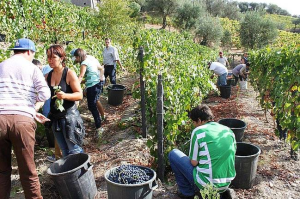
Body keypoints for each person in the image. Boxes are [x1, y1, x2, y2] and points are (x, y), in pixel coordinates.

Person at [0, 38, 51, 199]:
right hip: (22, 122)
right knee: (28, 170)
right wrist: (31, 108)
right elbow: (45, 94)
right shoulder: (32, 68)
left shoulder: (1, 65)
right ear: (29, 52)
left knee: (1, 171)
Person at [168, 105, 236, 199]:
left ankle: (188, 193)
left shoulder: (198, 131)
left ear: (199, 120)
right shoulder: (228, 131)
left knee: (173, 154)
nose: (193, 125)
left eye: (193, 122)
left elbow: (194, 162)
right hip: (226, 184)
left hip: (207, 184)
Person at [46, 45, 85, 157]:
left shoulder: (69, 73)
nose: (50, 60)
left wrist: (65, 96)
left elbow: (79, 95)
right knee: (64, 150)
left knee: (74, 150)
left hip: (69, 118)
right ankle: (70, 174)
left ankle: (81, 173)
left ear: (61, 58)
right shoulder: (47, 76)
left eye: (53, 57)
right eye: (48, 57)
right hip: (55, 118)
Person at [73, 48, 105, 140]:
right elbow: (90, 76)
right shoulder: (90, 60)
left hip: (93, 87)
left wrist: (75, 85)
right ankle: (100, 120)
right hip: (97, 84)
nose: (76, 59)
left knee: (92, 106)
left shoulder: (84, 63)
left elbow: (81, 76)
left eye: (76, 57)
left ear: (79, 56)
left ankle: (99, 127)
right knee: (94, 103)